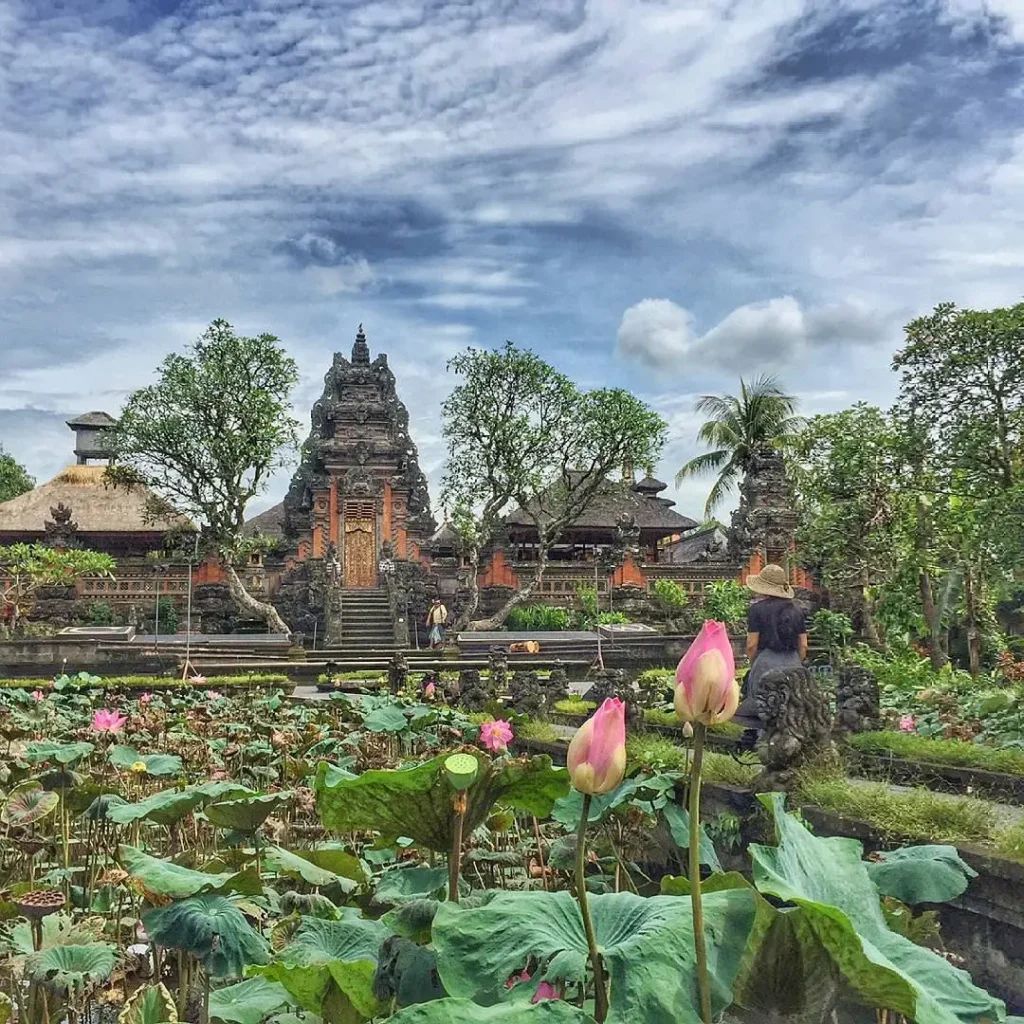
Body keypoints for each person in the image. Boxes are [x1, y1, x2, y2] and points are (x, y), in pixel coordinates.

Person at [736, 563, 808, 722]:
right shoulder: (797, 610)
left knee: (760, 708)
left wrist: (754, 663)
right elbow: (803, 645)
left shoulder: (757, 610)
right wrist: (797, 662)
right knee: (791, 709)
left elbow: (751, 645)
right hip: (793, 663)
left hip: (765, 662)